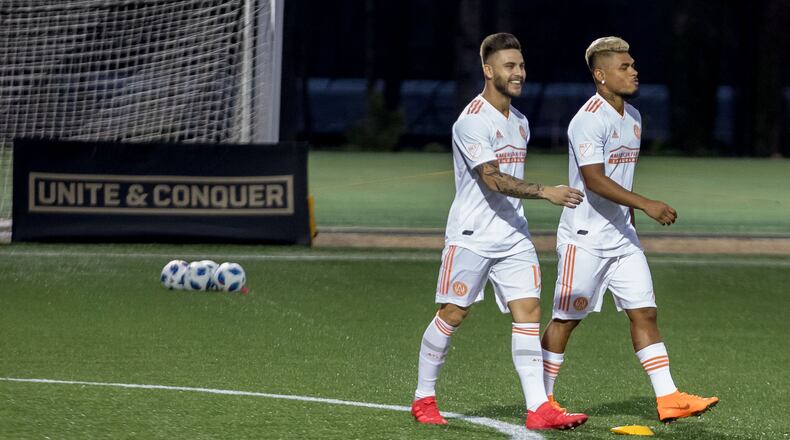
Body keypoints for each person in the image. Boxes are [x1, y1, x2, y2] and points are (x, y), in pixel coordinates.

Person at [410, 32, 588, 431]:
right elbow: (492, 180)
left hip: (513, 235)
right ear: (488, 70)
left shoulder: (520, 122)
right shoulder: (471, 121)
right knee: (453, 313)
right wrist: (546, 191)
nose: (519, 73)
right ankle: (423, 397)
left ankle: (538, 406)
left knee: (528, 312)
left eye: (521, 65)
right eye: (510, 66)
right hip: (472, 235)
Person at [540, 36, 719, 423]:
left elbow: (622, 175)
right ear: (600, 75)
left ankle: (668, 398)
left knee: (645, 313)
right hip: (584, 239)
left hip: (622, 238)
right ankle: (543, 400)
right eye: (624, 67)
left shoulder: (634, 117)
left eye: (633, 64)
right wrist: (647, 204)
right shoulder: (588, 119)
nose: (633, 70)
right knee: (567, 320)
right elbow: (595, 181)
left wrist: (632, 224)